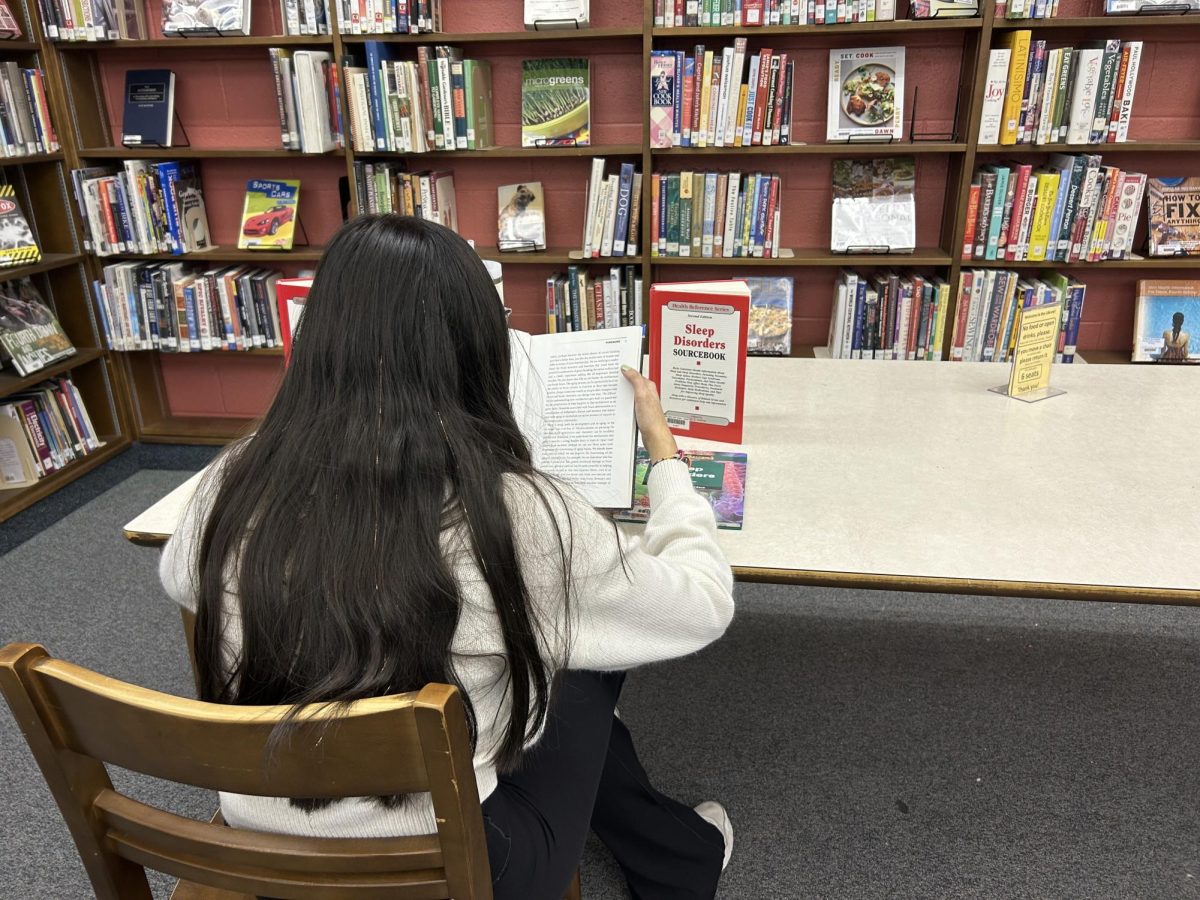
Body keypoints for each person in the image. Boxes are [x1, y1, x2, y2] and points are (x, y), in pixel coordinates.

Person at [159, 214, 736, 900]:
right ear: (476, 349)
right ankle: (676, 860)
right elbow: (701, 604)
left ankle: (679, 855)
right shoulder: (515, 513)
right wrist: (666, 462)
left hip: (262, 832)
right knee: (587, 656)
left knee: (564, 625)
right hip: (447, 862)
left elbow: (181, 580)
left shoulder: (233, 478)